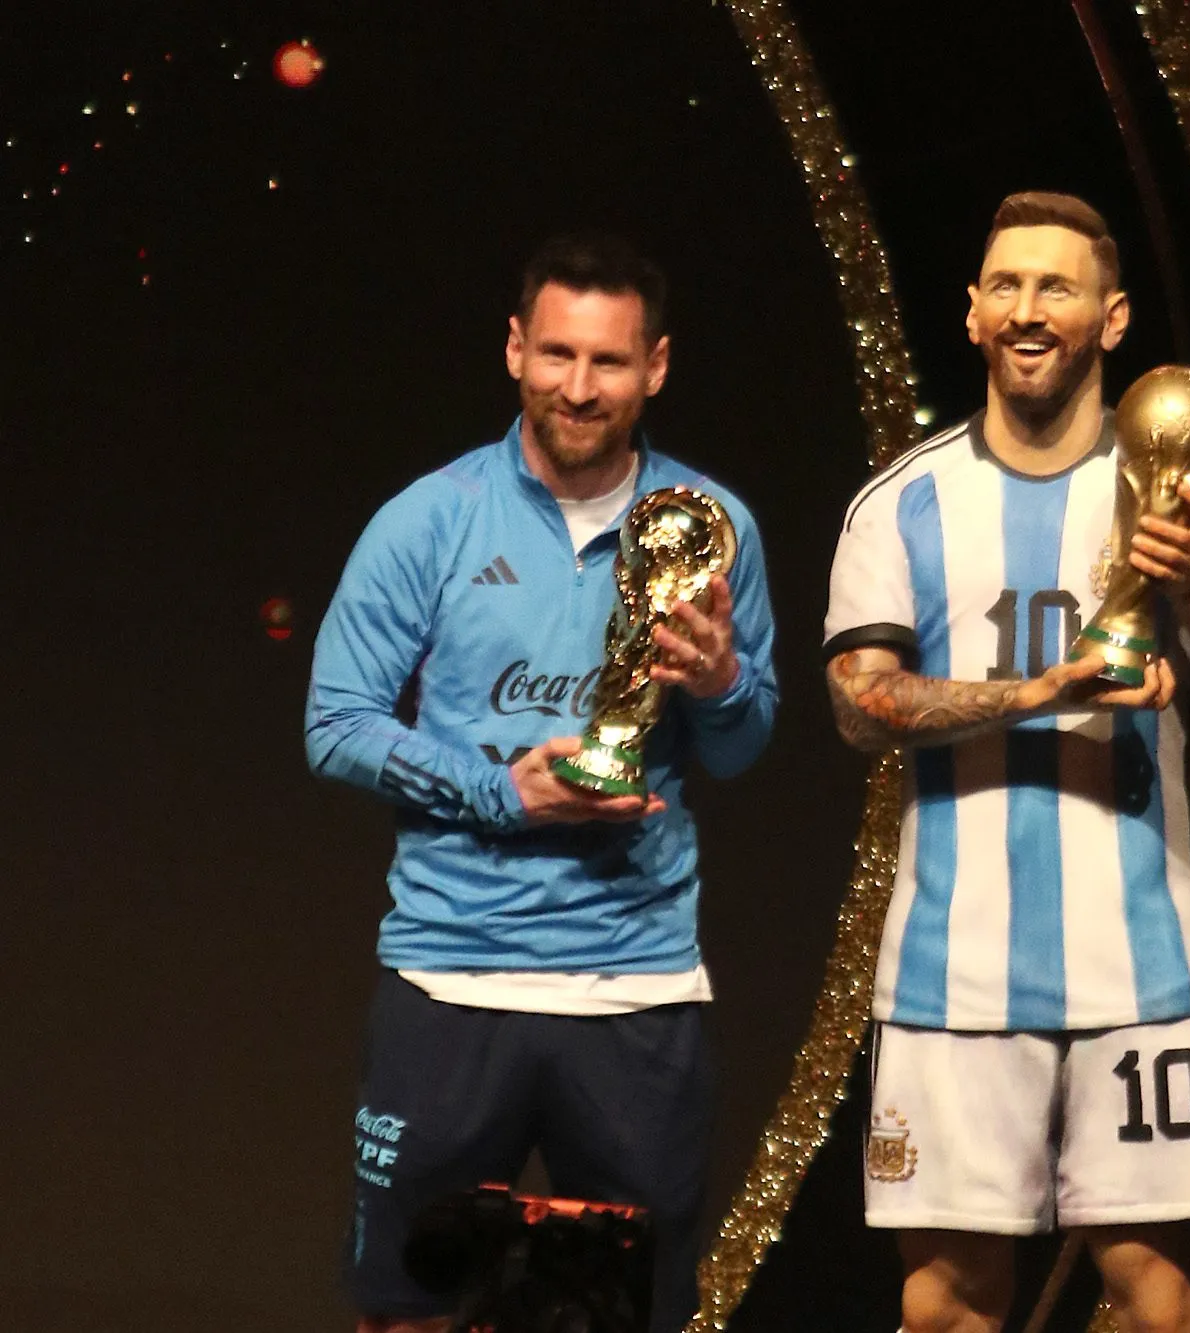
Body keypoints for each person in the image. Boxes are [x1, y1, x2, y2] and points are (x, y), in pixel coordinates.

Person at [822, 192, 1190, 1333]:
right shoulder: (901, 503)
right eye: (1003, 285)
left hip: (1139, 970)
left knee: (1159, 1296)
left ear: (1112, 316)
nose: (1027, 310)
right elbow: (859, 706)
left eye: (1055, 287)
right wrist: (1046, 688)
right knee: (947, 1303)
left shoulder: (1180, 495)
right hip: (952, 976)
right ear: (969, 317)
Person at [306, 232, 778, 1333]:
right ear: (515, 349)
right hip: (450, 981)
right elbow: (334, 726)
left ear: (654, 366)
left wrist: (717, 679)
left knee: (627, 1321)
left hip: (634, 989)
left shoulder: (710, 528)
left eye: (608, 362)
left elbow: (745, 747)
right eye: (556, 354)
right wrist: (500, 791)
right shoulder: (429, 518)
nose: (579, 387)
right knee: (406, 1312)